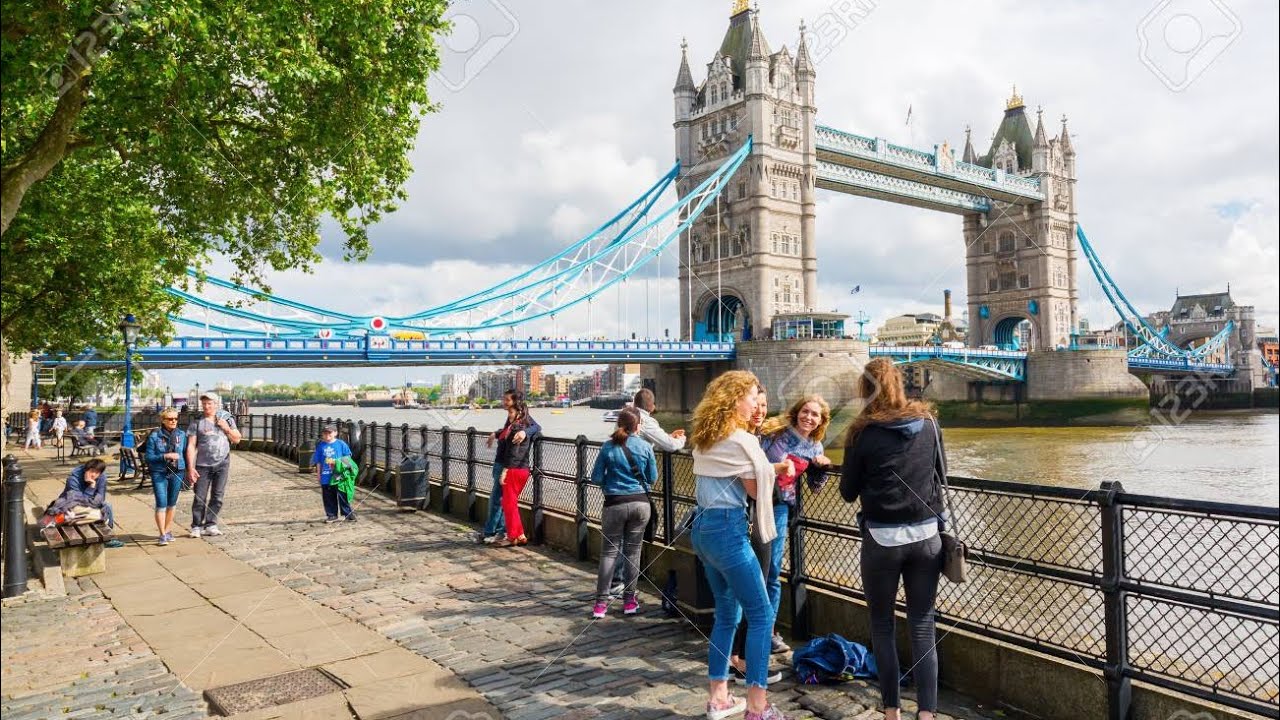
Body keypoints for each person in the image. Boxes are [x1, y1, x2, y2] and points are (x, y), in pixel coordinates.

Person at [839, 358, 946, 720]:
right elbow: (941, 472)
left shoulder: (861, 432)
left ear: (864, 389)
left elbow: (848, 492)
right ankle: (928, 714)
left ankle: (891, 711)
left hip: (882, 539)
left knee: (882, 625)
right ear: (899, 383)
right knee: (922, 623)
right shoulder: (930, 423)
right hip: (927, 536)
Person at [689, 370, 793, 720]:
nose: (756, 403)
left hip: (701, 527)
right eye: (751, 396)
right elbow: (754, 489)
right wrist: (775, 471)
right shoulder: (742, 440)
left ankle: (718, 697)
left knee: (727, 612)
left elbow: (729, 472)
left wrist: (766, 467)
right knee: (761, 615)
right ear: (734, 399)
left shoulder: (704, 436)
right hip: (729, 530)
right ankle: (757, 706)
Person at [587, 408, 657, 619]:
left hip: (614, 504)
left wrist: (612, 484)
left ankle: (600, 604)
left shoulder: (608, 447)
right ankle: (629, 601)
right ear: (638, 426)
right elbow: (652, 478)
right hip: (640, 505)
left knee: (609, 553)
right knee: (633, 552)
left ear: (619, 424)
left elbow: (596, 478)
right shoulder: (645, 447)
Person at [479, 390, 542, 544]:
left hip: (508, 465)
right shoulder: (511, 419)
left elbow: (536, 427)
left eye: (507, 400)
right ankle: (501, 531)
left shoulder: (520, 420)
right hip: (503, 463)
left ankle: (495, 532)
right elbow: (508, 432)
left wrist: (524, 432)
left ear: (515, 403)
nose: (503, 402)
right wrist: (496, 432)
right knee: (502, 500)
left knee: (499, 500)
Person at [185, 392, 242, 538]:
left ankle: (211, 524)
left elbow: (237, 439)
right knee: (200, 497)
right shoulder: (197, 421)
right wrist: (190, 468)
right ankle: (196, 526)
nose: (206, 406)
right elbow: (191, 445)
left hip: (222, 463)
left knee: (218, 496)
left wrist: (226, 428)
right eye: (204, 403)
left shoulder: (226, 418)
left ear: (216, 404)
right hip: (202, 465)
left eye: (209, 403)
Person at [494, 398, 538, 547]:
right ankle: (519, 535)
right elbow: (537, 427)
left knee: (508, 503)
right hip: (524, 469)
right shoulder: (524, 427)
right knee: (510, 503)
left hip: (513, 470)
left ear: (519, 412)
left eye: (511, 412)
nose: (509, 414)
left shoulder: (516, 429)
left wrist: (505, 471)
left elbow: (513, 453)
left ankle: (513, 536)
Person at [143, 408, 187, 545]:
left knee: (172, 503)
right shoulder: (154, 436)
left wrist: (190, 470)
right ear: (163, 420)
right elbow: (148, 457)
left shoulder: (181, 434)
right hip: (159, 472)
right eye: (170, 419)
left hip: (177, 471)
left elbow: (186, 453)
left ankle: (168, 530)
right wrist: (165, 456)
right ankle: (162, 534)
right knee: (161, 503)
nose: (173, 421)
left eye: (175, 418)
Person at [44, 458, 117, 534]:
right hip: (70, 506)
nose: (94, 474)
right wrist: (91, 487)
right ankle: (54, 522)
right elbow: (79, 501)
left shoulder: (102, 477)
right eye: (91, 471)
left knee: (107, 506)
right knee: (96, 513)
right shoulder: (73, 480)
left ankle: (109, 534)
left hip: (90, 504)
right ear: (86, 470)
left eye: (97, 472)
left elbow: (101, 496)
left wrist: (94, 502)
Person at [313, 423, 356, 523]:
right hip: (325, 473)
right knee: (328, 495)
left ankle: (348, 513)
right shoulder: (320, 446)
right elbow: (318, 461)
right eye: (325, 433)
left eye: (329, 433)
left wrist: (345, 469)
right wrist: (318, 474)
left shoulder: (341, 444)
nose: (327, 435)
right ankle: (331, 514)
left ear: (335, 433)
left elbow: (347, 459)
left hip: (338, 473)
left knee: (342, 493)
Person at [632, 387, 686, 452]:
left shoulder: (628, 416)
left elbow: (649, 436)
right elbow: (670, 445)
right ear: (652, 407)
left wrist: (670, 436)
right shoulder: (646, 421)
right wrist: (681, 439)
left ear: (634, 403)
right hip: (636, 461)